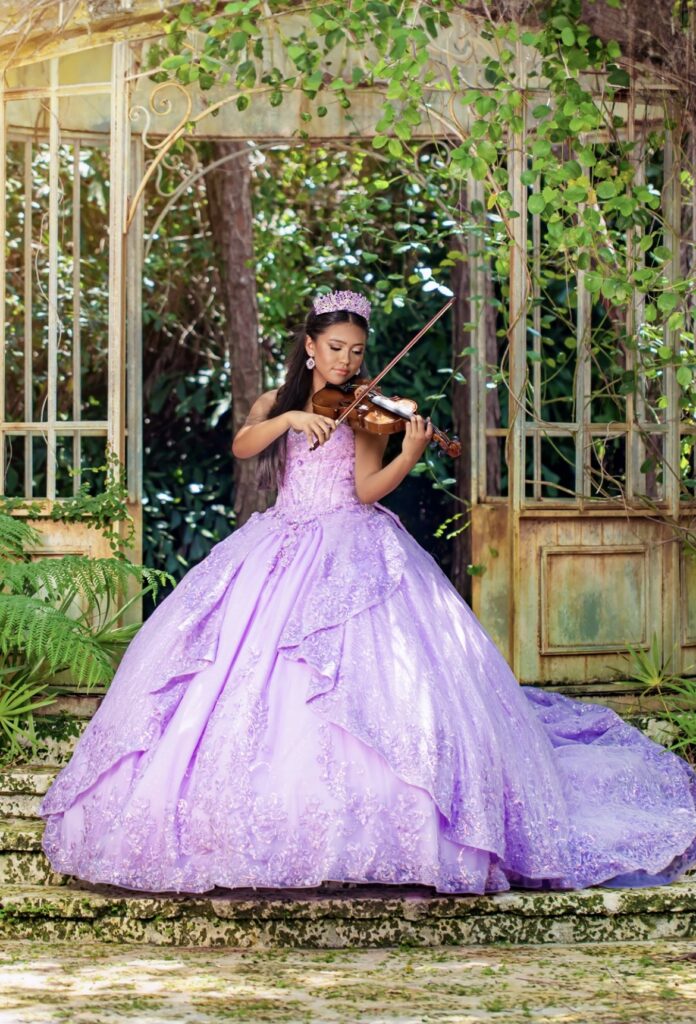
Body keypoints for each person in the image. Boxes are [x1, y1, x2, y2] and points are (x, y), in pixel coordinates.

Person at [40, 289, 696, 894]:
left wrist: (409, 452)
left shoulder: (364, 410)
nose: (346, 361)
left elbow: (363, 491)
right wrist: (293, 416)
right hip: (282, 544)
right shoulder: (281, 401)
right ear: (308, 347)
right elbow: (244, 444)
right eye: (335, 349)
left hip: (353, 544)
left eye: (356, 351)